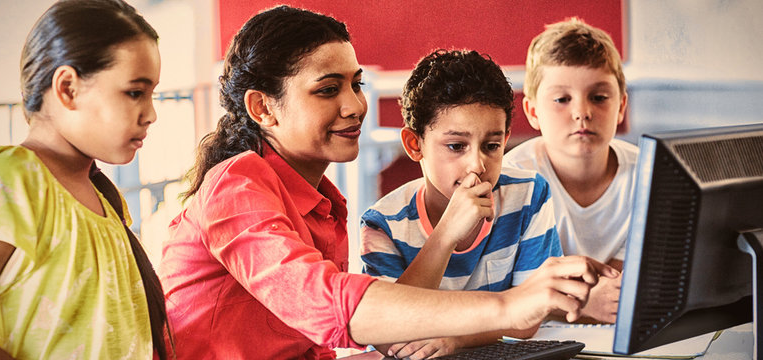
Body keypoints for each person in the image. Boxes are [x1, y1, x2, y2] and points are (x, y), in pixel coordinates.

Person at [158, 6, 618, 360]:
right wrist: (510, 307)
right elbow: (330, 307)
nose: (355, 105)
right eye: (327, 89)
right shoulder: (234, 187)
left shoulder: (322, 200)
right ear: (263, 109)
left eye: (355, 84)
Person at [0, 0, 170, 359]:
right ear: (68, 88)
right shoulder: (11, 179)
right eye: (135, 92)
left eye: (152, 94)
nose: (151, 114)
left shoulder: (105, 199)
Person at [359, 49, 564, 358]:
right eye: (456, 146)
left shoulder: (529, 196)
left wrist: (456, 340)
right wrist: (444, 236)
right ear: (415, 145)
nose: (477, 164)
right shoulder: (382, 225)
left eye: (492, 146)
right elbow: (388, 333)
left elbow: (530, 315)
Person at [502, 17, 638, 324]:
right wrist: (583, 303)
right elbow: (507, 291)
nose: (582, 112)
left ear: (621, 107)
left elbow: (622, 287)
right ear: (533, 111)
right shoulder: (513, 180)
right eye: (562, 99)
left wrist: (594, 298)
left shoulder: (647, 176)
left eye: (599, 97)